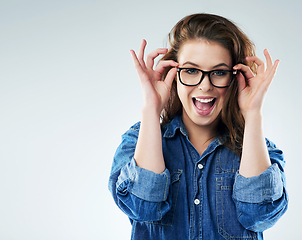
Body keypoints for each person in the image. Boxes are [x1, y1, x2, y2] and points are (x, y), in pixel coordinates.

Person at [108, 13, 288, 240]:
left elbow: (260, 215)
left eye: (219, 72)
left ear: (236, 77)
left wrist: (252, 113)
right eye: (191, 71)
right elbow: (142, 208)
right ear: (173, 74)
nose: (205, 85)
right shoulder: (136, 142)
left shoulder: (259, 149)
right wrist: (151, 109)